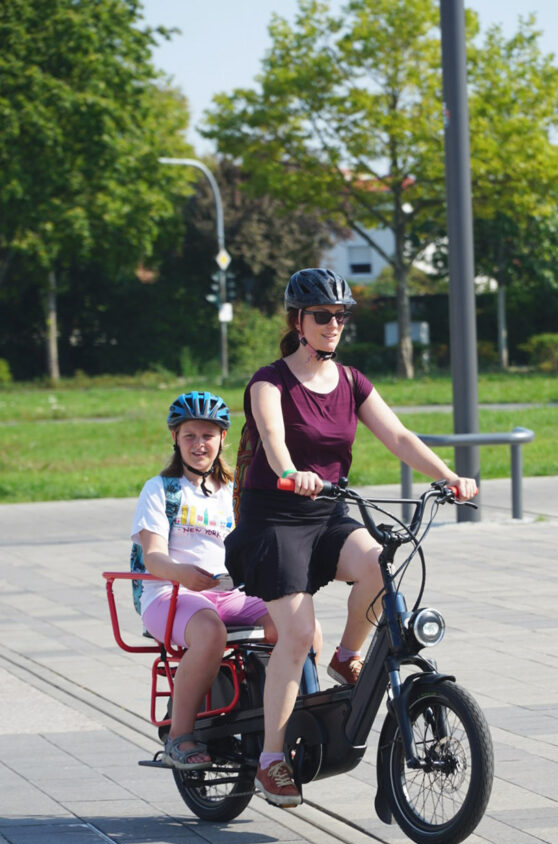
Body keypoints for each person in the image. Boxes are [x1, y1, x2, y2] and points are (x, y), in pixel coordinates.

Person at [224, 267, 478, 808]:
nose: (334, 324)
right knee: (294, 637)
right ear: (299, 320)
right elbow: (271, 438)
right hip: (276, 518)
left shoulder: (351, 380)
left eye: (341, 316)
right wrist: (293, 470)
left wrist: (448, 477)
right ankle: (272, 758)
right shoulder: (270, 382)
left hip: (328, 512)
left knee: (381, 566)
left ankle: (346, 654)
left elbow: (399, 435)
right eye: (323, 316)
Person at [131, 390, 278, 770]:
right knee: (210, 631)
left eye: (208, 436)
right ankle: (180, 736)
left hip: (226, 593)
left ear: (223, 439)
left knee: (295, 624)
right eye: (190, 436)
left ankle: (275, 718)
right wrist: (183, 575)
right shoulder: (161, 490)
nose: (199, 445)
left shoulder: (234, 491)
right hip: (168, 593)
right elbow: (154, 557)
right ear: (175, 439)